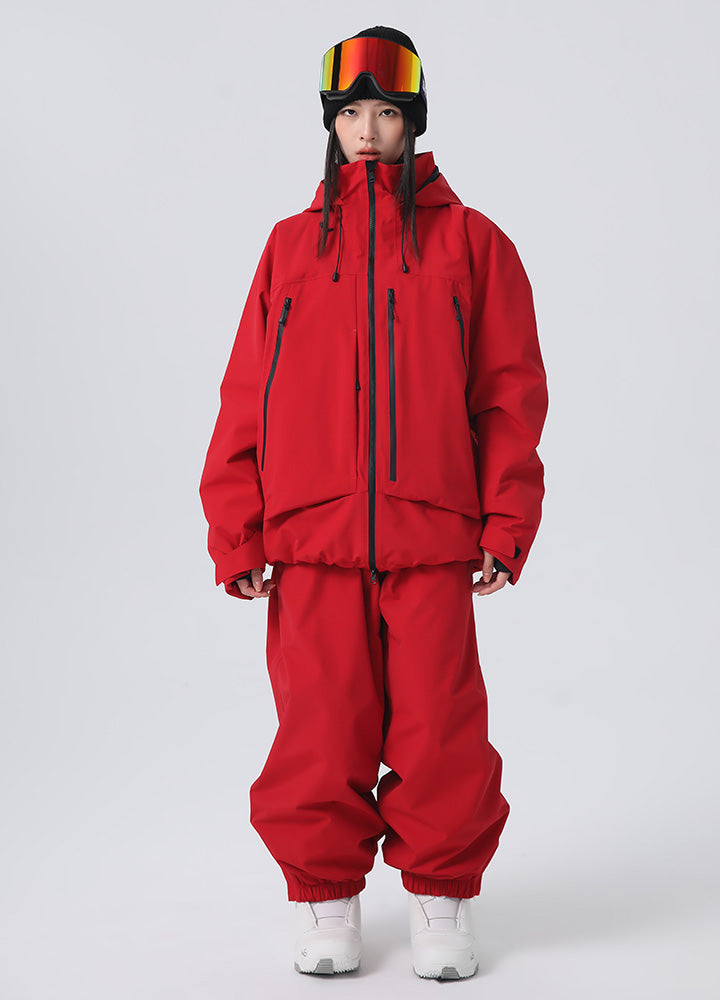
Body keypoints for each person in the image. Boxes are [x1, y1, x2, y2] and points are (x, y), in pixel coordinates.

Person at [199, 25, 548, 981]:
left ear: (412, 122)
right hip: (312, 539)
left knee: (440, 729)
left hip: (433, 534)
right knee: (321, 727)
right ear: (330, 123)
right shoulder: (289, 248)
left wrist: (506, 523)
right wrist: (238, 531)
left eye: (386, 113)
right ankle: (327, 899)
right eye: (349, 113)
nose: (366, 130)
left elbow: (509, 395)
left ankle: (441, 897)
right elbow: (245, 394)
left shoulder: (472, 244)